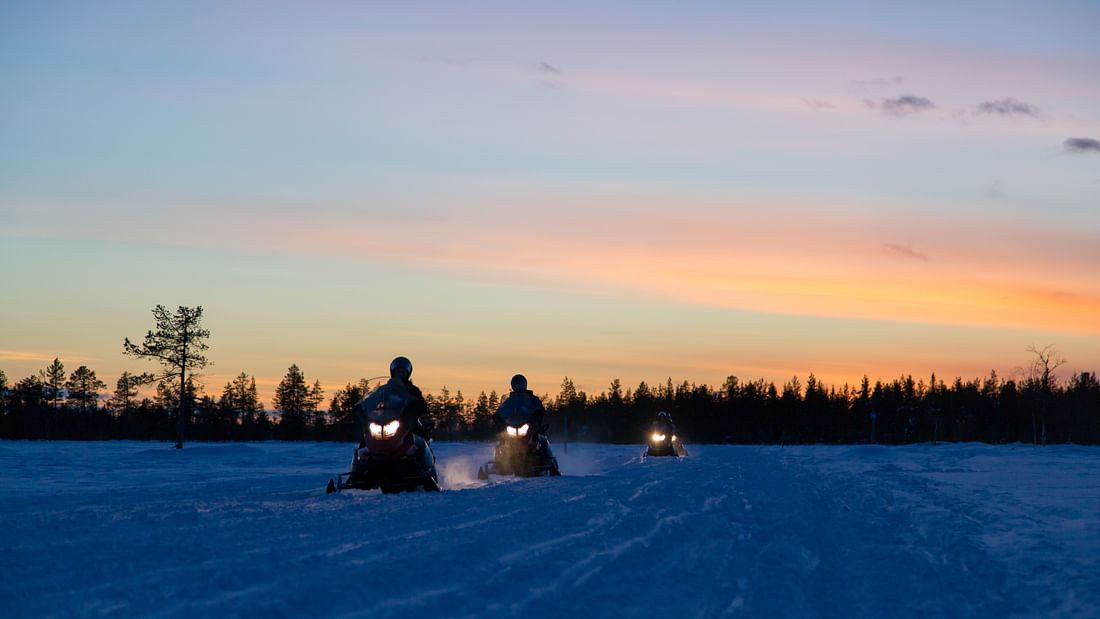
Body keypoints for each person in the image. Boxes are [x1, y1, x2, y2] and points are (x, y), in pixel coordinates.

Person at [354, 356, 431, 442]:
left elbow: (421, 404)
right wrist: (363, 405)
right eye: (398, 371)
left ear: (408, 373)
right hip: (385, 419)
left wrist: (418, 405)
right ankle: (359, 455)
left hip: (405, 421)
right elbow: (373, 399)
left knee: (419, 439)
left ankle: (424, 453)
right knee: (367, 440)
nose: (400, 374)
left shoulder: (412, 390)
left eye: (403, 372)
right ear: (393, 372)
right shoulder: (385, 389)